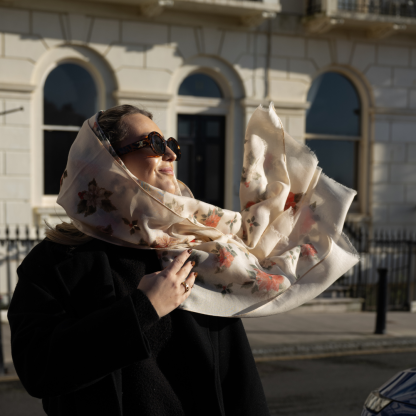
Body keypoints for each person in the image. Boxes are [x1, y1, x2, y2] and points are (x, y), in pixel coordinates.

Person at [8, 105, 270, 416]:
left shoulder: (198, 246)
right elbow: (39, 371)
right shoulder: (56, 261)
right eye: (155, 144)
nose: (171, 155)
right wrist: (144, 308)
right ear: (107, 162)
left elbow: (238, 380)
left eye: (170, 145)